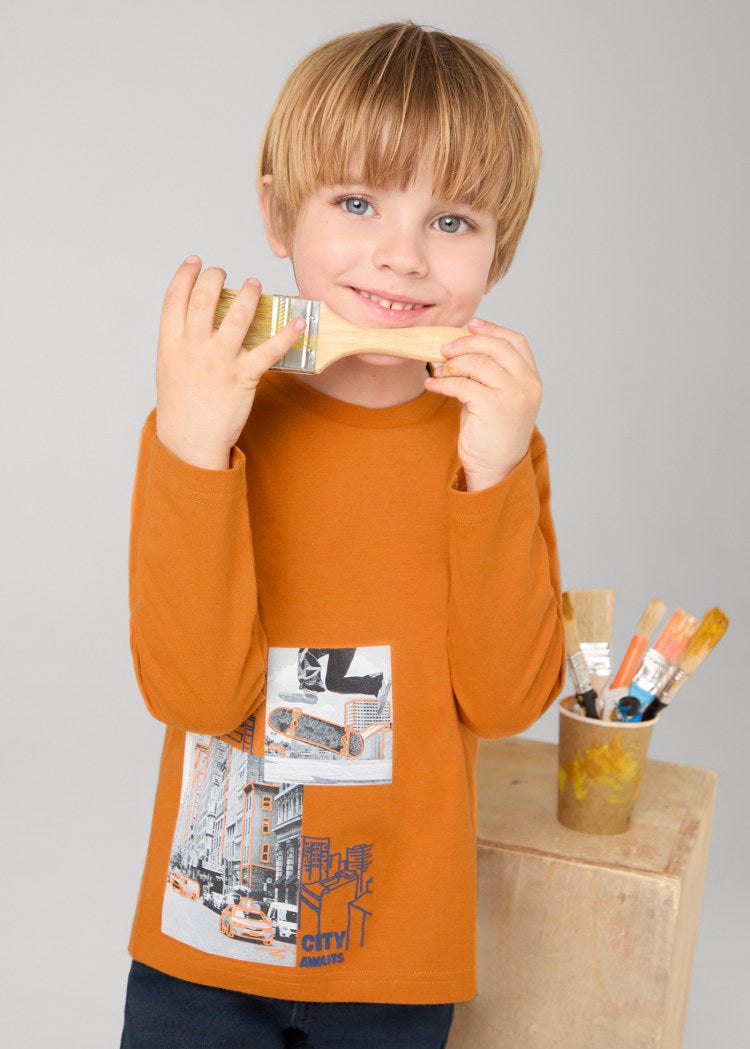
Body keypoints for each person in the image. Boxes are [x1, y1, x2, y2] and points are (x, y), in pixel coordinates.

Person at [121, 20, 565, 1049]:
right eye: (358, 201)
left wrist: (496, 471)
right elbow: (194, 696)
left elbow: (505, 699)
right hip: (207, 935)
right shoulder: (215, 422)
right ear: (278, 211)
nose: (401, 255)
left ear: (502, 249)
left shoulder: (487, 442)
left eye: (452, 220)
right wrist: (189, 446)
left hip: (398, 948)